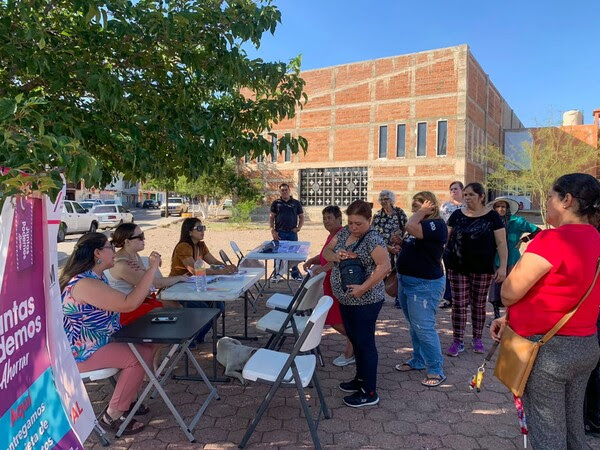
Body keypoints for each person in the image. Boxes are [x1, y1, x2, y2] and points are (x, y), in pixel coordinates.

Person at [490, 173, 600, 449]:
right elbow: (568, 289)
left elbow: (508, 293)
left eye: (550, 197)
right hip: (585, 344)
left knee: (548, 434)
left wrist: (523, 257)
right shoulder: (595, 237)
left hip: (547, 351)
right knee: (573, 429)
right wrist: (511, 316)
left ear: (567, 200)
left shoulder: (552, 239)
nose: (547, 203)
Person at [60, 233, 160, 435]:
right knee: (138, 358)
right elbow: (128, 304)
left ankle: (128, 400)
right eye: (110, 247)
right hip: (80, 352)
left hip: (98, 342)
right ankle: (112, 415)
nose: (114, 251)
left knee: (146, 346)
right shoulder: (85, 283)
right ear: (97, 253)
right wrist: (151, 269)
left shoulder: (96, 277)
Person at [323, 200, 390, 407]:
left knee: (365, 343)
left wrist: (363, 288)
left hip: (366, 301)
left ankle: (369, 392)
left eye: (358, 223)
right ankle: (360, 379)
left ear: (369, 220)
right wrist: (337, 256)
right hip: (347, 300)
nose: (353, 227)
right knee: (355, 338)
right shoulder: (344, 232)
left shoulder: (373, 239)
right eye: (351, 222)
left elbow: (384, 266)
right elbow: (326, 252)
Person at [444, 182, 507, 356]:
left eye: (471, 194)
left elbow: (501, 243)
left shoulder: (492, 217)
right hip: (457, 267)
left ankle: (477, 338)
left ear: (481, 196)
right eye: (465, 195)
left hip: (483, 268)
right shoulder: (457, 215)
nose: (467, 198)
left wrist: (502, 267)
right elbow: (445, 237)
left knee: (478, 305)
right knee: (459, 305)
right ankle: (458, 340)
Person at [395, 192, 448, 387]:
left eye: (419, 206)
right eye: (414, 206)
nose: (414, 210)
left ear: (430, 206)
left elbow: (410, 225)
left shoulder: (436, 224)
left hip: (424, 285)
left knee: (424, 328)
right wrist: (401, 244)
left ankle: (436, 369)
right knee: (414, 325)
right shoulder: (420, 223)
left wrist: (422, 211)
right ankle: (418, 360)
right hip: (407, 281)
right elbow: (417, 242)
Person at [303, 205, 354, 367]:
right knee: (337, 318)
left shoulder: (342, 235)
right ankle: (353, 347)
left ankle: (356, 343)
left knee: (334, 319)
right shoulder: (332, 235)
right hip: (329, 284)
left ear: (339, 219)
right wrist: (313, 260)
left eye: (330, 218)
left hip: (338, 283)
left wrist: (322, 269)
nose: (326, 221)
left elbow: (339, 258)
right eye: (324, 218)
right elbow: (326, 255)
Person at [169, 218, 235, 342]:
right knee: (203, 307)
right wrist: (220, 271)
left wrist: (227, 267)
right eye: (199, 228)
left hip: (193, 285)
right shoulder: (183, 247)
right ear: (189, 232)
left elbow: (213, 261)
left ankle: (197, 337)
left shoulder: (201, 245)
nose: (202, 231)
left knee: (219, 305)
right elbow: (195, 270)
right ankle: (189, 340)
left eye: (203, 228)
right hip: (178, 287)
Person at [108, 223, 187, 325]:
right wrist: (179, 277)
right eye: (140, 237)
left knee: (175, 305)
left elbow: (148, 285)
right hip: (124, 310)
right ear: (127, 242)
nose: (144, 239)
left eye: (143, 235)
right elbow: (154, 284)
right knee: (176, 309)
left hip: (136, 301)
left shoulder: (133, 255)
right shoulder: (122, 264)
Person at [486, 197, 540, 320]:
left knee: (513, 288)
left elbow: (537, 231)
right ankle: (496, 317)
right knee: (495, 288)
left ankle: (510, 317)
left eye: (503, 206)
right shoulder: (490, 222)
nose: (500, 209)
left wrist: (524, 239)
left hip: (512, 259)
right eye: (498, 206)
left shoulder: (517, 221)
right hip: (495, 258)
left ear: (507, 208)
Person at [372, 189, 407, 308]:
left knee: (398, 273)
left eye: (386, 199)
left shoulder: (399, 213)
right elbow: (374, 235)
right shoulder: (377, 216)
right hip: (383, 249)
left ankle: (399, 298)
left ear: (391, 200)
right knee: (381, 273)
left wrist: (400, 243)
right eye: (381, 199)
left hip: (397, 248)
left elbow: (406, 229)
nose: (384, 201)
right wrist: (388, 248)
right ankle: (380, 297)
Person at [269, 183, 304, 282]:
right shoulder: (276, 203)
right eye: (282, 190)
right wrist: (272, 230)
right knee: (278, 254)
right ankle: (276, 274)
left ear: (289, 190)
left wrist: (298, 228)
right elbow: (271, 217)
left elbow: (301, 217)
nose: (284, 192)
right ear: (280, 192)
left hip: (292, 233)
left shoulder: (296, 203)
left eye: (286, 190)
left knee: (293, 254)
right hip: (280, 233)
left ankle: (295, 274)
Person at [439, 181, 465, 309]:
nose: (453, 191)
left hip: (465, 242)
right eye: (451, 189)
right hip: (448, 241)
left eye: (456, 189)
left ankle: (463, 298)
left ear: (462, 190)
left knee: (464, 271)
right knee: (449, 270)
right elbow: (440, 222)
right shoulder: (445, 206)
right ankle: (448, 298)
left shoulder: (468, 206)